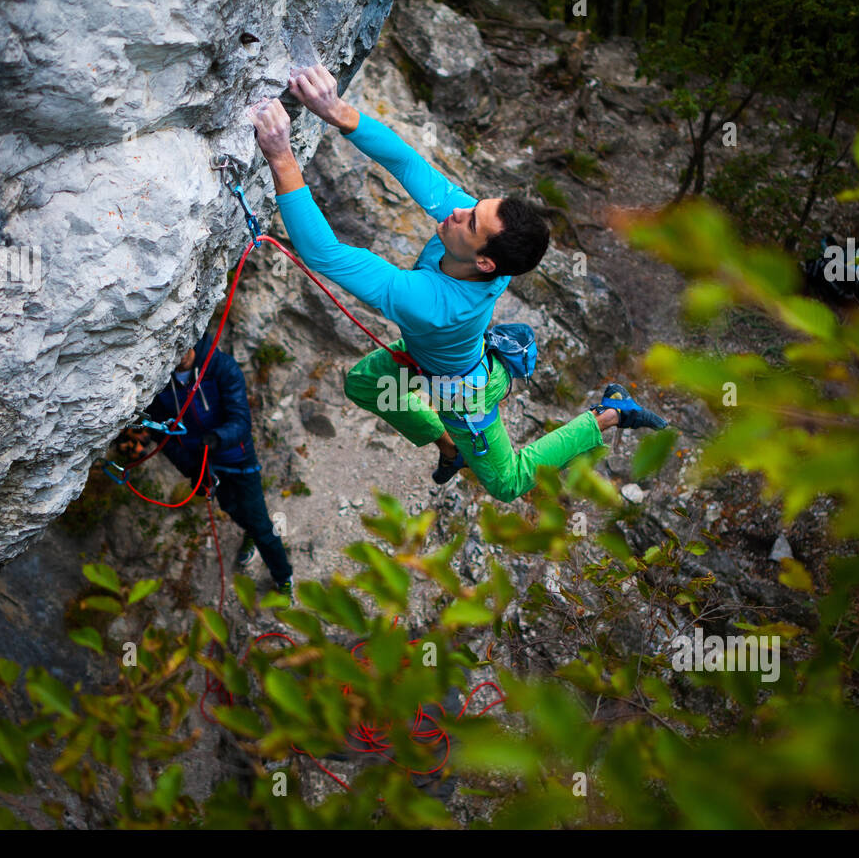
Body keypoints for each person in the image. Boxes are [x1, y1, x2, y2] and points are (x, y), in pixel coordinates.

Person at [247, 64, 667, 503]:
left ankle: (609, 414)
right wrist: (337, 111)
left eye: (470, 221)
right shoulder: (479, 242)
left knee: (508, 484)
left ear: (485, 262)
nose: (457, 212)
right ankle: (450, 447)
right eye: (473, 207)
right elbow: (407, 164)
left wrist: (281, 156)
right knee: (363, 384)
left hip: (464, 393)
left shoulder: (432, 304)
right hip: (433, 362)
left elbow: (325, 255)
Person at [145, 332, 293, 593]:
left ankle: (283, 579)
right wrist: (192, 469)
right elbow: (162, 435)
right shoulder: (159, 384)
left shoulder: (221, 367)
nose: (181, 352)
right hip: (204, 464)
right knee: (231, 507)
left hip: (237, 457)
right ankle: (250, 533)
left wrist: (215, 439)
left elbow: (241, 422)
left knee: (260, 524)